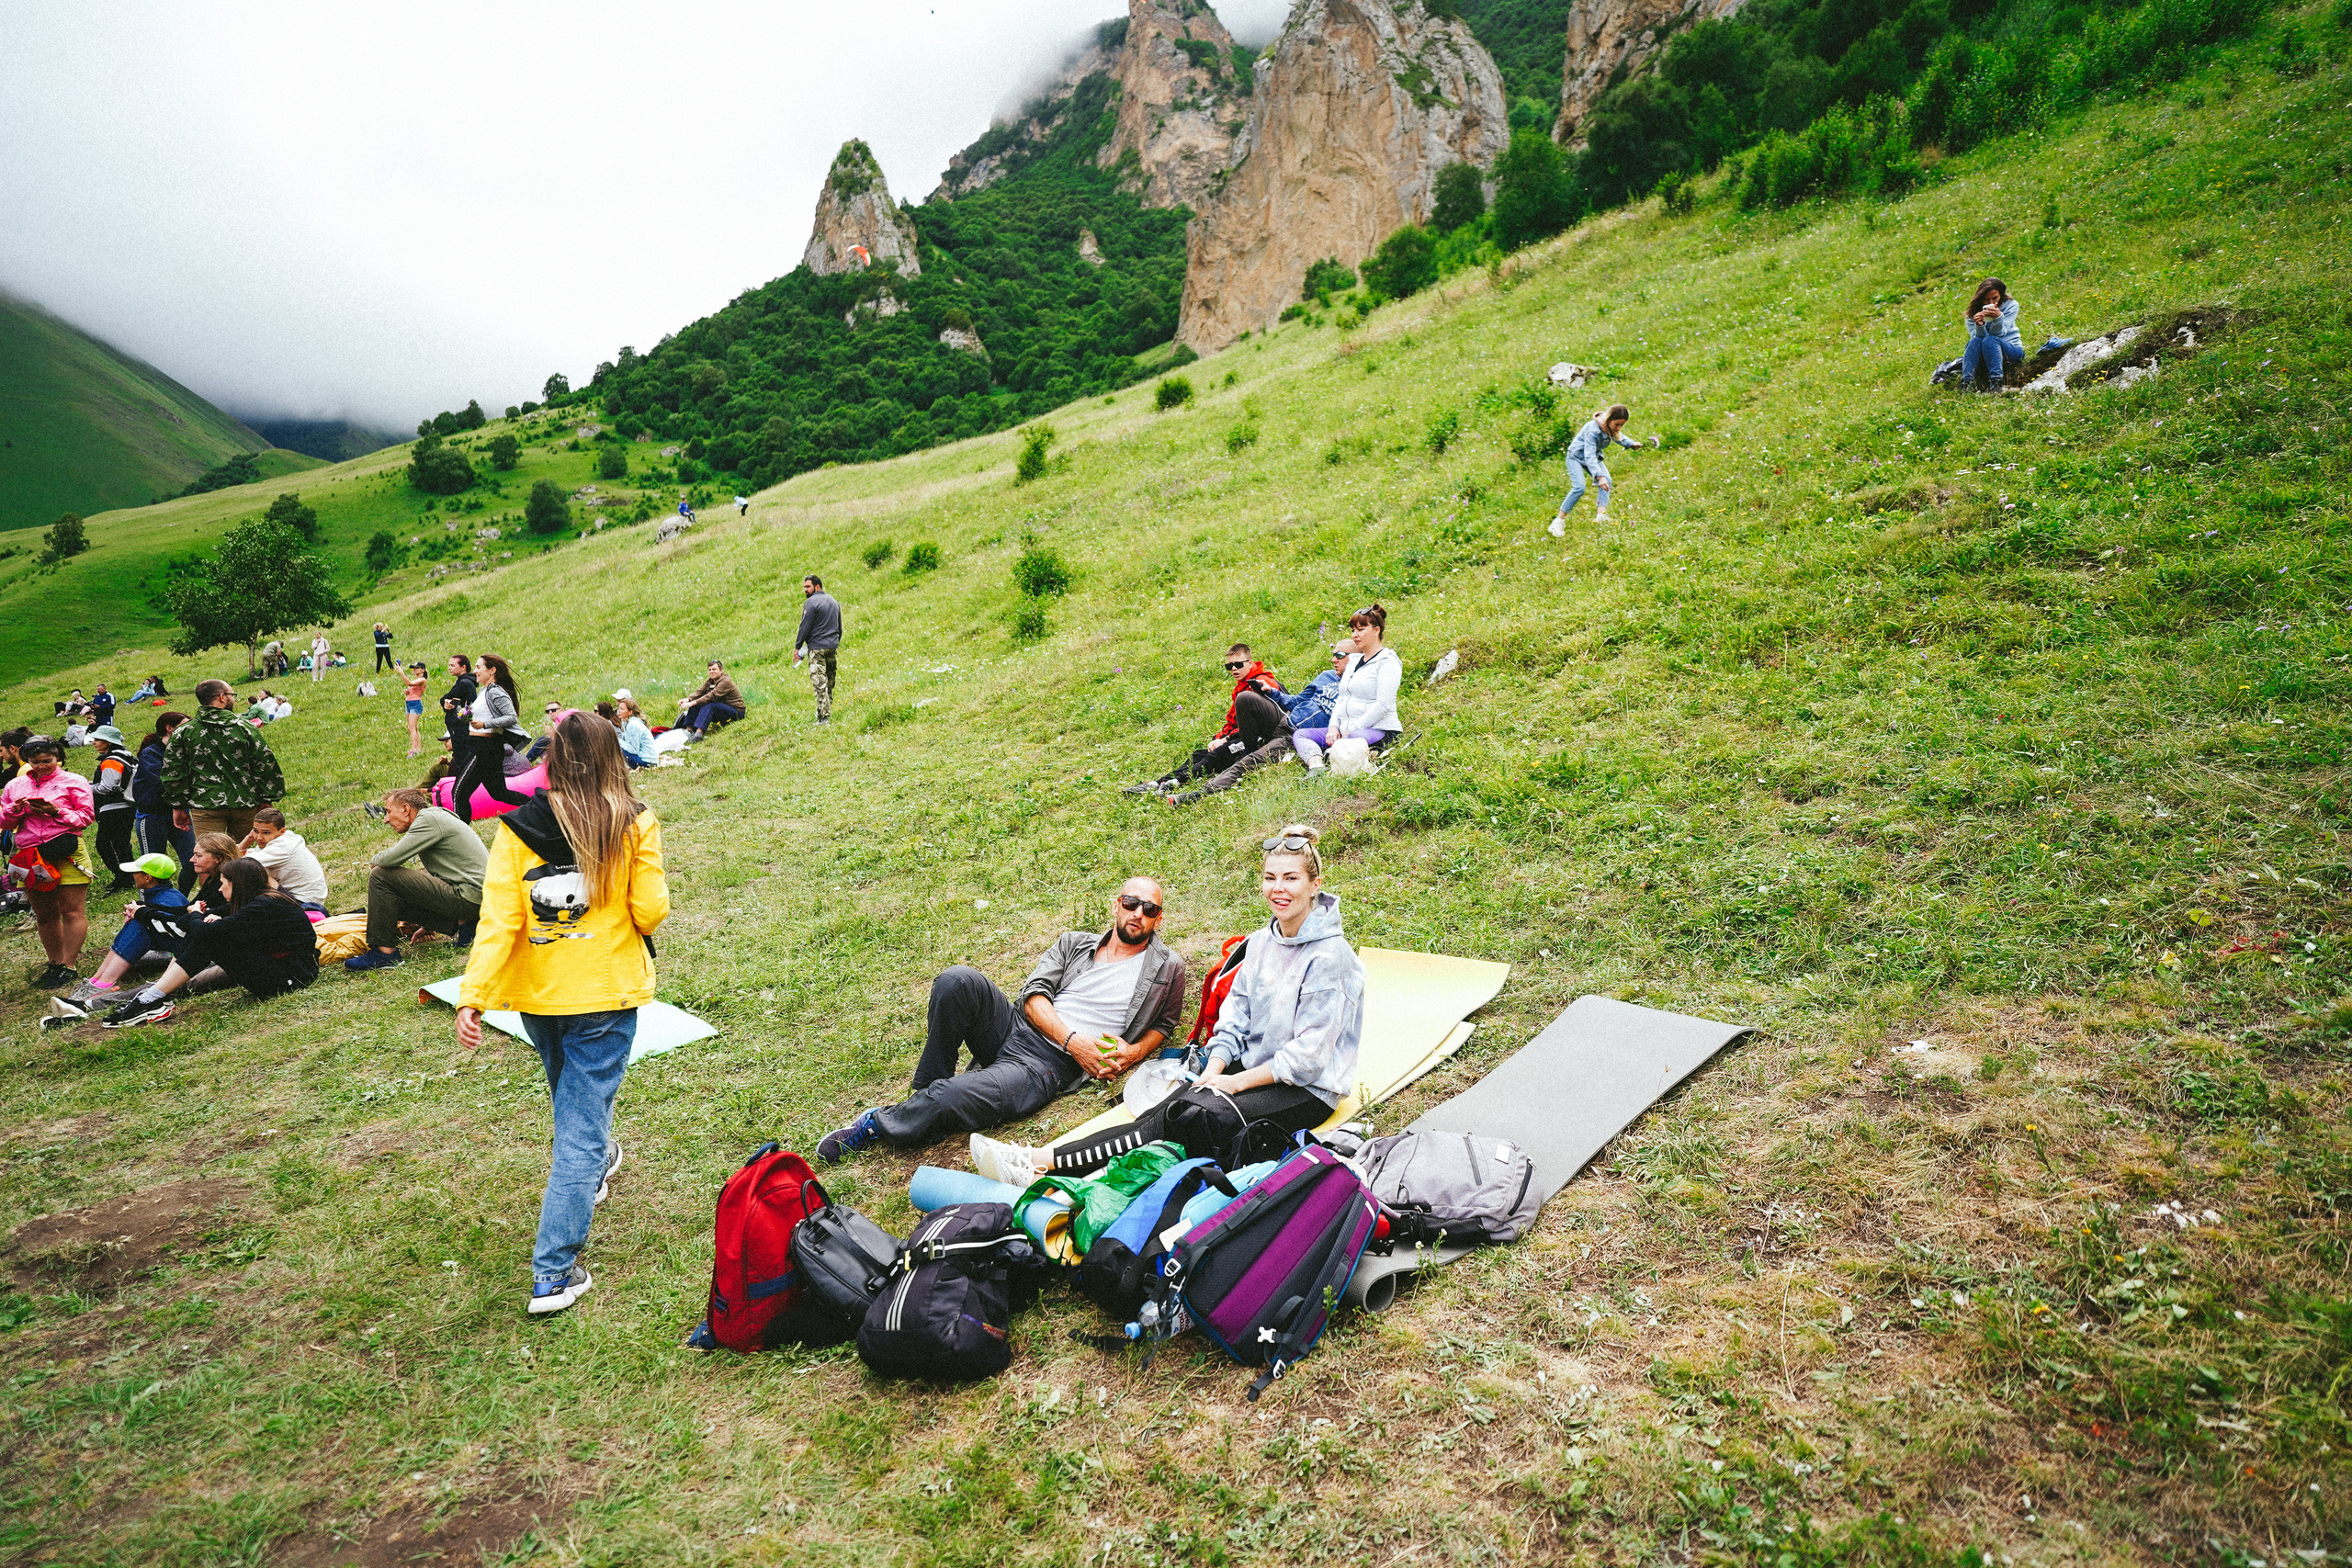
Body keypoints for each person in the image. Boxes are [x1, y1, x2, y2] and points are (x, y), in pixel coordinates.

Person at [971, 827, 1362, 1185]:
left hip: (1307, 1090)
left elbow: (1308, 1058)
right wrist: (1214, 1068)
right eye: (1270, 877)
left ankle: (1043, 1164)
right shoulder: (1260, 943)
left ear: (1315, 885)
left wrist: (1233, 1082)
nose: (1279, 888)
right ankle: (1050, 1165)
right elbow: (1235, 1018)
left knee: (1198, 1113)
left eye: (1291, 878)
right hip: (1256, 1068)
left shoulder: (1331, 958)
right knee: (1173, 1105)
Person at [455, 712, 669, 1315]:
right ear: (610, 757)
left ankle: (597, 1161)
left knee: (575, 1108)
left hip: (540, 997)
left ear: (551, 758)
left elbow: (499, 919)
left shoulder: (514, 830)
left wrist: (476, 993)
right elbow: (651, 910)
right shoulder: (634, 821)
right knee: (579, 1126)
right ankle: (553, 1272)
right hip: (602, 994)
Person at [815, 879, 1187, 1162]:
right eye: (1131, 903)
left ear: (1158, 918)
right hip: (1015, 1026)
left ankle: (876, 1124)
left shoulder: (1168, 968)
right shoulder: (1075, 942)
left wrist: (1135, 1052)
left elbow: (1166, 1022)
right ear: (1117, 905)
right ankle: (926, 1094)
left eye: (1149, 909)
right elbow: (1033, 996)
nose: (1138, 913)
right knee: (957, 980)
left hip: (1044, 1065)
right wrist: (1073, 1039)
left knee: (950, 1096)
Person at [100, 857, 320, 1028]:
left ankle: (151, 999)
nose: (219, 889)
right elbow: (187, 921)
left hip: (291, 979)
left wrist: (198, 917)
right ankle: (152, 998)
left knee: (209, 938)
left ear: (239, 884)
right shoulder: (251, 899)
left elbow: (202, 928)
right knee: (207, 934)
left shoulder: (264, 906)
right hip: (279, 971)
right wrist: (194, 916)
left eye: (224, 884)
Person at [345, 786, 489, 971]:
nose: (385, 820)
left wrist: (374, 861)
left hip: (471, 897)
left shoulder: (428, 819)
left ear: (406, 809)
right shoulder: (435, 818)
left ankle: (384, 953)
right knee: (389, 900)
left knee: (381, 875)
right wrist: (428, 923)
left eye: (388, 812)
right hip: (477, 899)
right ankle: (467, 928)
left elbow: (390, 859)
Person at [43, 853, 196, 1025]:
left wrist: (143, 916)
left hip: (179, 950)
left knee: (140, 924)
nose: (132, 875)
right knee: (137, 921)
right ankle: (97, 980)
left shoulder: (169, 898)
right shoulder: (161, 894)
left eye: (136, 872)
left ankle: (103, 984)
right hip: (171, 945)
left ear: (148, 878)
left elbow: (177, 929)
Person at [1121, 643, 1288, 797]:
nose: (1234, 669)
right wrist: (1219, 737)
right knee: (1199, 754)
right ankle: (1159, 782)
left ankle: (1176, 782)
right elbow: (1233, 721)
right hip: (1241, 735)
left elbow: (1256, 722)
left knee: (1218, 754)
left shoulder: (1263, 682)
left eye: (1239, 664)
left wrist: (1226, 739)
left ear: (1250, 663)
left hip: (1262, 737)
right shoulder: (1240, 687)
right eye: (1229, 666)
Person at [1, 737, 96, 988]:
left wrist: (56, 811)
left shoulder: (74, 781)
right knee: (44, 913)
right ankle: (54, 964)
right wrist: (15, 810)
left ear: (58, 758)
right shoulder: (15, 785)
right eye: (35, 762)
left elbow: (86, 817)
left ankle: (69, 964)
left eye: (47, 761)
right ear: (27, 761)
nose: (41, 767)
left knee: (71, 910)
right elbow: (5, 823)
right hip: (30, 855)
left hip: (66, 850)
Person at [162, 678, 287, 844]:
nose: (233, 699)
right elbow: (264, 764)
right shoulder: (245, 727)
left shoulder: (183, 732)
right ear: (222, 697)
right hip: (246, 804)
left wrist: (178, 805)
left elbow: (174, 772)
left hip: (205, 806)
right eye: (232, 695)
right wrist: (266, 799)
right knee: (244, 857)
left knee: (209, 858)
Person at [1294, 604, 1403, 772]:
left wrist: (1354, 728)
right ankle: (1317, 766)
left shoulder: (1387, 661)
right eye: (1353, 630)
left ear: (1376, 630)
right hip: (1345, 730)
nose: (1355, 635)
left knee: (1351, 739)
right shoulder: (1353, 662)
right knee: (1300, 735)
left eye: (1360, 629)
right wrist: (1333, 727)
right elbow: (1342, 698)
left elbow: (1383, 704)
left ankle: (1348, 754)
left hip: (1377, 729)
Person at [450, 653, 532, 825]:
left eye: (479, 667)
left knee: (459, 793)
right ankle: (540, 807)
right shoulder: (484, 691)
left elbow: (511, 717)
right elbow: (476, 718)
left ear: (492, 670)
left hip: (484, 749)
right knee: (499, 793)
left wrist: (485, 724)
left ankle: (459, 837)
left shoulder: (496, 692)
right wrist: (458, 710)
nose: (475, 671)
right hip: (485, 748)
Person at [1549, 403, 1655, 535]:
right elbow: (1589, 455)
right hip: (1575, 457)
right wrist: (1599, 476)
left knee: (1607, 482)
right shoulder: (1593, 429)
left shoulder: (1610, 428)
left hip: (1592, 457)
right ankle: (1558, 522)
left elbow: (1618, 436)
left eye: (1622, 425)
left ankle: (1601, 517)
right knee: (1579, 488)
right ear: (1609, 419)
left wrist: (1631, 444)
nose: (1619, 427)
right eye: (1617, 424)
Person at [132, 713, 195, 894]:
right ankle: (149, 908)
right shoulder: (150, 753)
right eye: (185, 725)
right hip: (152, 817)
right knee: (152, 869)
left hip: (181, 814)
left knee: (192, 862)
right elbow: (163, 783)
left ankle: (179, 901)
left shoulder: (185, 751)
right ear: (170, 728)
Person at [239, 807, 329, 912]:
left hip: (305, 904)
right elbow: (241, 856)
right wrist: (248, 838)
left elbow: (239, 864)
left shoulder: (283, 846)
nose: (259, 837)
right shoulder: (273, 840)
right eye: (255, 831)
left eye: (266, 833)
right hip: (293, 896)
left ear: (282, 831)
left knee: (254, 872)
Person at [86, 726, 137, 893]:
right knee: (121, 844)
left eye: (97, 739)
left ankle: (123, 878)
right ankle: (127, 877)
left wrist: (86, 787)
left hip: (114, 808)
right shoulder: (127, 756)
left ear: (108, 742)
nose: (94, 742)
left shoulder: (111, 760)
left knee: (106, 845)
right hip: (127, 807)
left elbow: (108, 787)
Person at [793, 575, 842, 724]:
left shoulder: (811, 602)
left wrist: (798, 646)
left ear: (817, 587)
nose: (805, 590)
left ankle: (823, 717)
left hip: (817, 648)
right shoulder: (834, 602)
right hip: (832, 646)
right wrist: (835, 642)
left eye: (808, 587)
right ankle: (826, 711)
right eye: (804, 587)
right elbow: (839, 627)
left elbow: (805, 627)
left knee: (819, 681)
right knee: (829, 681)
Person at [1961, 276, 2024, 392]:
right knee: (1974, 341)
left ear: (2001, 295)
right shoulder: (1972, 314)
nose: (1991, 303)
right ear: (1981, 299)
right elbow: (1978, 342)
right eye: (1986, 300)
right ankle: (1967, 383)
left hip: (2011, 350)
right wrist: (1979, 325)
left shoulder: (2011, 305)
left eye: (1995, 298)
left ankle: (1996, 383)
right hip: (1987, 355)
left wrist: (1998, 318)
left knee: (1991, 339)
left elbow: (2000, 334)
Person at [1274, 644, 1350, 733]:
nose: (1333, 660)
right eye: (1334, 655)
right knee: (1253, 700)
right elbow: (1297, 701)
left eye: (1339, 655)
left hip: (1301, 735)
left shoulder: (1359, 689)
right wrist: (1271, 692)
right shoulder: (1327, 676)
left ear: (1356, 658)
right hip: (1286, 719)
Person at [677, 659, 744, 740]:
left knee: (709, 704)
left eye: (714, 669)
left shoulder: (725, 681)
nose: (711, 671)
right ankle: (689, 732)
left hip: (736, 712)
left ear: (721, 670)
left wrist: (691, 703)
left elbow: (711, 696)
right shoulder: (710, 681)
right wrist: (688, 699)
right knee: (698, 703)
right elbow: (700, 692)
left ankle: (698, 735)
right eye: (710, 670)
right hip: (722, 710)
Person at [439, 654, 478, 759]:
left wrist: (444, 701)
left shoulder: (463, 683)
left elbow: (446, 698)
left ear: (463, 667)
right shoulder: (465, 682)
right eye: (449, 665)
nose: (449, 668)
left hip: (461, 730)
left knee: (462, 759)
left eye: (452, 665)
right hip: (464, 727)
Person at [615, 698, 657, 770]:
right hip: (648, 759)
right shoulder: (628, 722)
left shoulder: (633, 725)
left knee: (614, 746)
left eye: (622, 709)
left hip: (646, 761)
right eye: (619, 708)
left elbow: (633, 750)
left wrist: (617, 740)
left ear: (630, 712)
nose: (618, 711)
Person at [402, 662, 428, 757]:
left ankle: (413, 750)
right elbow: (412, 688)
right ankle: (418, 748)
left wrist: (401, 672)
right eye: (414, 668)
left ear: (423, 669)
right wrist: (407, 692)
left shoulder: (422, 680)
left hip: (415, 704)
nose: (415, 669)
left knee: (411, 727)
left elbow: (409, 683)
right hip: (409, 703)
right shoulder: (417, 680)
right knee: (413, 728)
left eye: (417, 668)